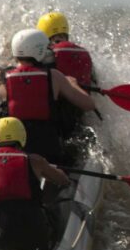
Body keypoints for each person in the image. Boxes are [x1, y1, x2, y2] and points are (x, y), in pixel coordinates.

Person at [0, 28, 95, 164]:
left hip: (13, 150)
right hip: (48, 150)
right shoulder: (55, 77)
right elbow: (88, 105)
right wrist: (73, 84)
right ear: (40, 52)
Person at [0, 117, 71, 250]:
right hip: (36, 236)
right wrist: (50, 169)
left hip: (3, 239)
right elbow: (63, 181)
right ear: (22, 136)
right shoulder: (36, 161)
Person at [37, 12, 99, 159]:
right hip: (78, 115)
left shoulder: (46, 54)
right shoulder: (83, 53)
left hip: (53, 118)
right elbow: (94, 79)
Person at [36, 12, 94, 87]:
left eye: (61, 39)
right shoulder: (80, 53)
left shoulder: (41, 57)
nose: (60, 44)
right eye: (57, 41)